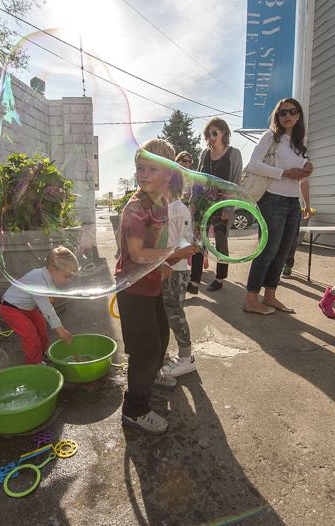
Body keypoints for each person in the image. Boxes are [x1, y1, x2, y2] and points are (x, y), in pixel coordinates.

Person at [116, 139, 198, 434]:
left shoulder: (160, 203)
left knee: (162, 337)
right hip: (133, 289)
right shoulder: (136, 208)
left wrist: (163, 262)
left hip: (150, 284)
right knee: (145, 349)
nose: (144, 174)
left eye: (153, 168)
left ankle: (150, 378)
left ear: (169, 175)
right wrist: (175, 253)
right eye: (140, 168)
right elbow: (137, 254)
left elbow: (153, 246)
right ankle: (134, 409)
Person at [243, 99, 312, 314]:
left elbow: (300, 178)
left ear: (298, 115)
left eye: (292, 111)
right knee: (267, 250)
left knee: (283, 252)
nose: (287, 115)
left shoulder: (299, 145)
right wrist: (285, 173)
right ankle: (251, 299)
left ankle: (270, 295)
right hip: (272, 199)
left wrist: (307, 168)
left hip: (293, 202)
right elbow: (253, 164)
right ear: (277, 116)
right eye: (282, 112)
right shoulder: (270, 137)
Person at [187, 118, 242, 293]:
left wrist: (228, 208)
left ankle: (220, 278)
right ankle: (194, 281)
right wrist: (193, 201)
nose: (210, 137)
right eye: (207, 134)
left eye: (214, 133)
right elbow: (198, 179)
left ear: (224, 133)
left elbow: (235, 182)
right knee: (198, 239)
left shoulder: (234, 153)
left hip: (222, 203)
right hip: (203, 203)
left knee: (220, 241)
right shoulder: (204, 154)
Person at [0, 246, 77, 364]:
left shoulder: (47, 277)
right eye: (66, 276)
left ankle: (41, 353)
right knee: (30, 334)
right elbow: (47, 308)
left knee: (41, 325)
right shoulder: (38, 280)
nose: (68, 280)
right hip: (10, 308)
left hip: (26, 308)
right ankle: (34, 364)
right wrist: (60, 330)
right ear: (51, 269)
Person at [160, 158, 196, 377]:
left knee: (175, 314)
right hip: (166, 268)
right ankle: (165, 352)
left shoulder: (179, 209)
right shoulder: (166, 207)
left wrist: (169, 262)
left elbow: (185, 244)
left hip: (176, 270)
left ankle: (186, 356)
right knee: (165, 312)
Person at [281, 179, 310, 277]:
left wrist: (307, 204)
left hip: (293, 202)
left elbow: (304, 181)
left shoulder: (302, 163)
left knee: (291, 238)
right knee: (273, 238)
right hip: (272, 199)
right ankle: (271, 270)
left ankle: (287, 264)